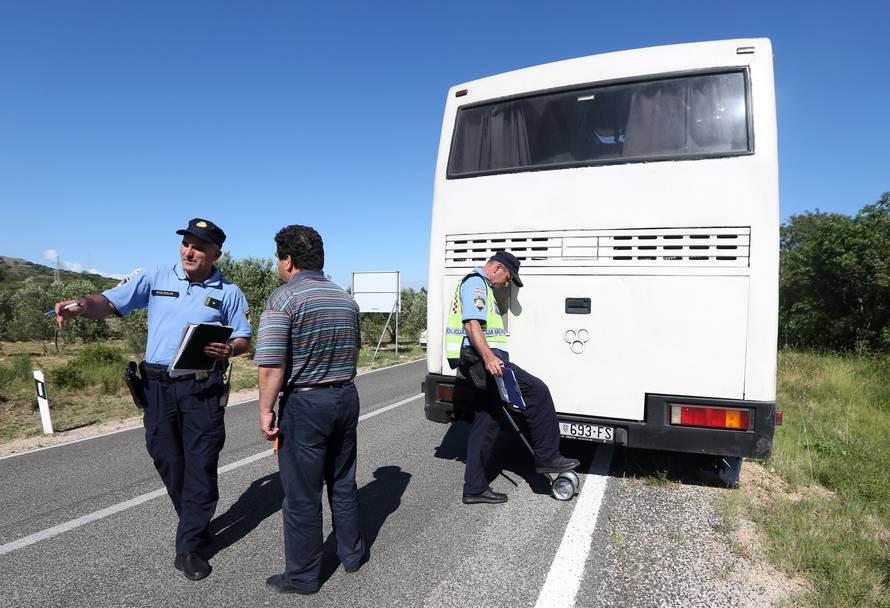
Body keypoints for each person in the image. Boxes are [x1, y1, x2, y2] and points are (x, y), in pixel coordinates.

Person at [53, 218, 252, 580]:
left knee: (201, 464)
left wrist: (230, 349)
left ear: (216, 254)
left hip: (201, 389)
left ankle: (188, 546)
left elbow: (243, 339)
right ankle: (195, 520)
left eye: (199, 247)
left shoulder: (229, 292)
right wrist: (82, 304)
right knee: (168, 460)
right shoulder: (155, 276)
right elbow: (109, 302)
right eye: (186, 243)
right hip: (158, 387)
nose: (190, 251)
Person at [255, 224, 365, 595]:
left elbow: (271, 364)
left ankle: (302, 577)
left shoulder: (284, 299)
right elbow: (355, 350)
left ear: (287, 260)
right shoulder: (345, 298)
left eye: (277, 259)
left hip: (306, 403)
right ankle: (352, 555)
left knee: (302, 494)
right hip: (346, 396)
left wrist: (266, 410)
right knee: (343, 481)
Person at [445, 251, 580, 504]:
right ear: (497, 268)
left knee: (488, 420)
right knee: (537, 391)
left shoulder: (481, 285)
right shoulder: (476, 283)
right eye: (508, 277)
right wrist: (488, 358)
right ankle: (547, 455)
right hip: (483, 359)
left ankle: (474, 487)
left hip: (480, 358)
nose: (507, 284)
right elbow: (471, 323)